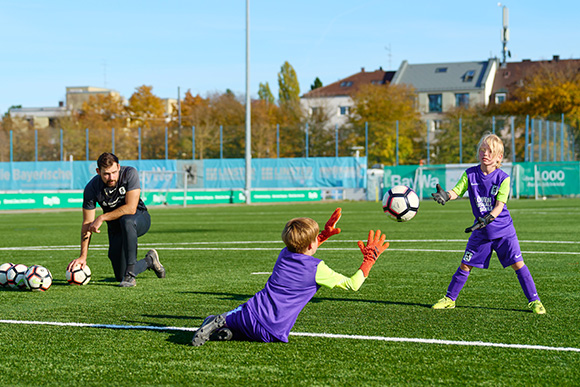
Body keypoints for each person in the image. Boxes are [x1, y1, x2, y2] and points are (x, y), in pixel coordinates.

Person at [190, 208, 389, 346]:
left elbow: (302, 247)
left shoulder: (284, 254)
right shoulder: (318, 269)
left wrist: (321, 236)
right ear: (312, 244)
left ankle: (224, 324)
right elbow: (353, 284)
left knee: (238, 315)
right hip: (274, 332)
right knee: (248, 325)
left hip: (251, 315)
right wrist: (369, 260)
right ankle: (224, 326)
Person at [431, 133, 546, 314]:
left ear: (499, 157)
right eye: (482, 150)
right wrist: (446, 195)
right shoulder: (470, 174)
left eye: (490, 151)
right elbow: (457, 191)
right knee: (465, 265)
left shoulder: (503, 178)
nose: (485, 154)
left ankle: (535, 301)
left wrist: (487, 219)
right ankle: (449, 299)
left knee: (518, 264)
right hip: (481, 231)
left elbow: (500, 205)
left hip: (503, 231)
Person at [67, 152, 166, 287]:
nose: (111, 177)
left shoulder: (130, 173)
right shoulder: (92, 188)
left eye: (114, 172)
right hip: (115, 227)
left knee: (127, 220)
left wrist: (102, 217)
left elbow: (131, 208)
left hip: (139, 218)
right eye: (106, 174)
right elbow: (87, 224)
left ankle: (130, 275)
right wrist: (83, 256)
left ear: (119, 167)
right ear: (98, 171)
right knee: (120, 275)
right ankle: (150, 261)